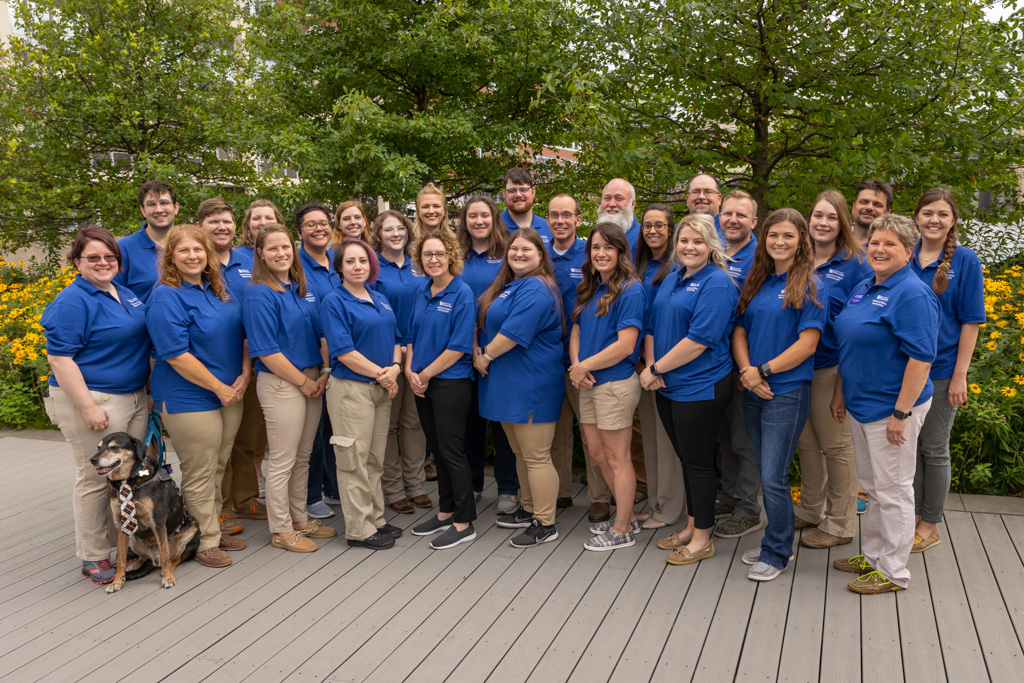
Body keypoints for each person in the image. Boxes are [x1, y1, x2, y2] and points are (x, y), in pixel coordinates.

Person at [832, 214, 939, 593]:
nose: (879, 249)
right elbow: (852, 341)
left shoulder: (912, 293)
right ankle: (874, 555)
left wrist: (900, 414)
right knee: (874, 486)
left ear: (909, 252)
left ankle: (893, 571)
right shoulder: (866, 285)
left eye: (890, 244)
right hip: (863, 405)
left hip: (891, 410)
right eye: (875, 242)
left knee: (894, 490)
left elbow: (922, 359)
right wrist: (841, 391)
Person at [42, 226, 151, 585]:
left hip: (133, 396)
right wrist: (89, 407)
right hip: (95, 400)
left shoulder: (123, 292)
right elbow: (60, 359)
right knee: (94, 478)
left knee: (128, 476)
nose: (103, 263)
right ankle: (93, 555)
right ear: (76, 261)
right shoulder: (72, 302)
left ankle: (128, 542)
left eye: (110, 257)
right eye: (93, 257)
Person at [147, 224, 248, 567]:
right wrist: (218, 387)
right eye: (184, 251)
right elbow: (175, 354)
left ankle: (212, 528)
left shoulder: (218, 288)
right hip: (189, 397)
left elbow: (242, 334)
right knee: (200, 471)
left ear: (208, 254)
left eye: (198, 250)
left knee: (219, 464)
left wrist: (245, 375)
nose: (192, 256)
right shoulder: (165, 295)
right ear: (171, 257)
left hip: (230, 394)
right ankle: (204, 541)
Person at [638, 213, 737, 564]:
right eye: (684, 240)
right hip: (667, 383)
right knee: (687, 459)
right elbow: (651, 325)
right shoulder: (673, 277)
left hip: (701, 386)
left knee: (698, 463)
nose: (690, 247)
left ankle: (702, 538)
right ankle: (693, 524)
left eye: (698, 241)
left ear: (712, 245)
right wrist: (654, 369)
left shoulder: (718, 282)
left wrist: (655, 369)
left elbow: (699, 340)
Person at [733, 208, 826, 582]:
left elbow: (808, 344)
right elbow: (739, 330)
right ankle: (777, 536)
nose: (779, 242)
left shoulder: (811, 284)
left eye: (788, 236)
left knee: (773, 474)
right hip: (753, 387)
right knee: (765, 470)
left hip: (786, 392)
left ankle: (776, 553)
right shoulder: (757, 279)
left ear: (801, 240)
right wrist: (748, 373)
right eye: (773, 235)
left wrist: (764, 371)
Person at [243, 223, 335, 553]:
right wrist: (305, 382)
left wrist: (323, 372)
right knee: (282, 459)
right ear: (260, 254)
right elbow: (266, 351)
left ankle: (300, 519)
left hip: (312, 377)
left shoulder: (299, 287)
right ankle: (281, 529)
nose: (281, 253)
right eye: (273, 248)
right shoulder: (258, 293)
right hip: (284, 383)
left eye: (286, 247)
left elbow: (319, 334)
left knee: (304, 455)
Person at [476, 227, 565, 548]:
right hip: (509, 383)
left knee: (537, 455)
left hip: (532, 383)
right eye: (514, 250)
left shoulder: (538, 288)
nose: (519, 254)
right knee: (520, 452)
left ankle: (545, 521)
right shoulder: (512, 286)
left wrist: (484, 356)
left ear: (541, 255)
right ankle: (528, 509)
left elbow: (514, 333)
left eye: (528, 250)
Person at [793, 189, 870, 549]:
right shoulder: (796, 257)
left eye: (831, 217)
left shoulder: (856, 264)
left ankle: (840, 523)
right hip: (795, 367)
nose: (822, 223)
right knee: (807, 443)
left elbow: (860, 322)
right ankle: (811, 509)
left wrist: (844, 379)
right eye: (817, 215)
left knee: (836, 446)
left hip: (831, 367)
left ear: (843, 223)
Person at [910, 188, 984, 552]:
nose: (933, 220)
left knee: (934, 448)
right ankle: (913, 515)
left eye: (941, 213)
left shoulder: (965, 261)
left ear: (953, 219)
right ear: (917, 217)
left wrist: (960, 375)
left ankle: (929, 523)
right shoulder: (904, 256)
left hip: (941, 370)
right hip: (906, 371)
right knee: (911, 447)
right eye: (927, 212)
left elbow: (971, 321)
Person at [320, 238, 404, 550]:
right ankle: (358, 529)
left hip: (381, 388)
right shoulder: (334, 301)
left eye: (363, 261)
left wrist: (395, 367)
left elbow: (397, 337)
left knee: (374, 459)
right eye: (350, 261)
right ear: (339, 267)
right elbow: (343, 352)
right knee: (353, 460)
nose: (358, 266)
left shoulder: (379, 298)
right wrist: (383, 374)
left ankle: (376, 518)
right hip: (351, 390)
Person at [570, 223, 646, 550]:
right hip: (587, 381)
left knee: (617, 458)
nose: (601, 253)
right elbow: (576, 329)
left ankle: (623, 526)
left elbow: (626, 345)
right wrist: (577, 367)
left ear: (620, 252)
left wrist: (584, 366)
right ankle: (625, 516)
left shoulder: (630, 289)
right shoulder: (590, 287)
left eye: (608, 247)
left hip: (614, 383)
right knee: (598, 454)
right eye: (595, 247)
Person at [196, 198, 268, 535]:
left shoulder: (249, 260)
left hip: (252, 361)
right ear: (200, 227)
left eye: (226, 221)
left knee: (247, 437)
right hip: (213, 365)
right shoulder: (196, 263)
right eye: (213, 222)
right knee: (218, 443)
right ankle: (221, 507)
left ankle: (246, 497)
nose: (221, 227)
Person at [407, 231, 479, 549]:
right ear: (419, 260)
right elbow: (411, 337)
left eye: (439, 254)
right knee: (436, 450)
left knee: (452, 451)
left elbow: (459, 346)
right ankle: (445, 512)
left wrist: (423, 374)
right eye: (427, 255)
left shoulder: (462, 293)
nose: (433, 260)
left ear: (451, 256)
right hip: (422, 383)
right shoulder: (422, 292)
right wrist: (410, 371)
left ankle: (464, 522)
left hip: (451, 382)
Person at [456, 195, 521, 513]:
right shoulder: (456, 256)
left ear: (494, 219)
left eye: (484, 215)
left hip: (500, 351)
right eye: (472, 216)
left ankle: (508, 488)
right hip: (462, 349)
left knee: (501, 422)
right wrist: (469, 345)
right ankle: (473, 485)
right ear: (464, 221)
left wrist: (490, 351)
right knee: (470, 423)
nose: (478, 221)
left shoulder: (508, 253)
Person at [546, 193, 608, 520]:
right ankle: (560, 492)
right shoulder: (538, 256)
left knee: (591, 431)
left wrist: (581, 361)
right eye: (554, 215)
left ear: (577, 219)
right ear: (547, 219)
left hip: (583, 359)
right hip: (546, 358)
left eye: (566, 215)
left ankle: (599, 496)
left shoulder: (588, 256)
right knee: (556, 431)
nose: (560, 220)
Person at [369, 210, 431, 514]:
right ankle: (393, 488)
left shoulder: (418, 264)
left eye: (400, 228)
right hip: (388, 356)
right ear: (378, 235)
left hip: (419, 354)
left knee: (414, 422)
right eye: (388, 229)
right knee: (388, 424)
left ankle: (416, 484)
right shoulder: (372, 267)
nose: (395, 234)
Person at [633, 203, 685, 530]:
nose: (652, 231)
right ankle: (654, 502)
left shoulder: (678, 267)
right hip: (641, 362)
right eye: (647, 225)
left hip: (666, 364)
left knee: (667, 443)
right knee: (650, 438)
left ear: (671, 229)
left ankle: (669, 509)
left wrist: (656, 366)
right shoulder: (640, 264)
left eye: (660, 225)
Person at [714, 190, 763, 539]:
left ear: (754, 222)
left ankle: (748, 508)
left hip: (746, 362)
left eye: (741, 215)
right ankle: (730, 496)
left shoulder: (761, 257)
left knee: (744, 439)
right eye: (727, 213)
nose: (733, 220)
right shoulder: (711, 250)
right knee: (724, 436)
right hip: (714, 362)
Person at [232, 199, 284, 503]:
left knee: (265, 427)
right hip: (245, 355)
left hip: (278, 358)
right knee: (245, 431)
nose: (262, 222)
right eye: (256, 218)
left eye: (269, 217)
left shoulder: (286, 259)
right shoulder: (235, 259)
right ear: (247, 225)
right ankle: (246, 490)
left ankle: (254, 486)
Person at [294, 202, 342, 521]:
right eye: (310, 224)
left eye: (323, 223)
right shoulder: (294, 264)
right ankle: (310, 496)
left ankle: (333, 486)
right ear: (299, 231)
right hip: (309, 360)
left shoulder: (338, 260)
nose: (319, 229)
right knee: (311, 432)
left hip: (342, 358)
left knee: (333, 428)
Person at [114, 180, 180, 301]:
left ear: (176, 208)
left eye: (164, 203)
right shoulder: (124, 249)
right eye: (151, 204)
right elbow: (113, 296)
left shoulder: (190, 244)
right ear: (143, 210)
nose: (159, 210)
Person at [499, 167, 553, 247]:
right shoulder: (493, 226)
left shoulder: (549, 227)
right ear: (505, 194)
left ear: (533, 192)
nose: (518, 195)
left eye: (523, 190)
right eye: (512, 190)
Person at [597, 178, 641, 255]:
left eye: (619, 199)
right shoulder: (595, 237)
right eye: (607, 198)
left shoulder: (642, 238)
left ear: (632, 204)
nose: (611, 204)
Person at [851, 179, 893, 243]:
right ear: (853, 207)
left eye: (877, 204)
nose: (869, 207)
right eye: (864, 202)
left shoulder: (894, 250)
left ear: (887, 213)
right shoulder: (834, 244)